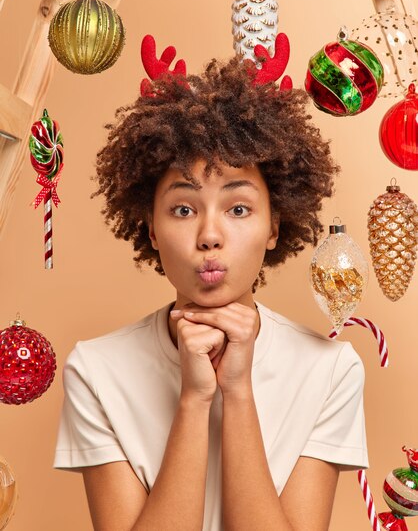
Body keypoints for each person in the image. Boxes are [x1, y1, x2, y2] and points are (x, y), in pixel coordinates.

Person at [54, 57, 369, 531]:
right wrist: (194, 399)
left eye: (238, 208)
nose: (210, 235)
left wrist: (238, 393)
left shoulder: (330, 370)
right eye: (183, 209)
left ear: (274, 227)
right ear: (151, 230)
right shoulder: (96, 370)